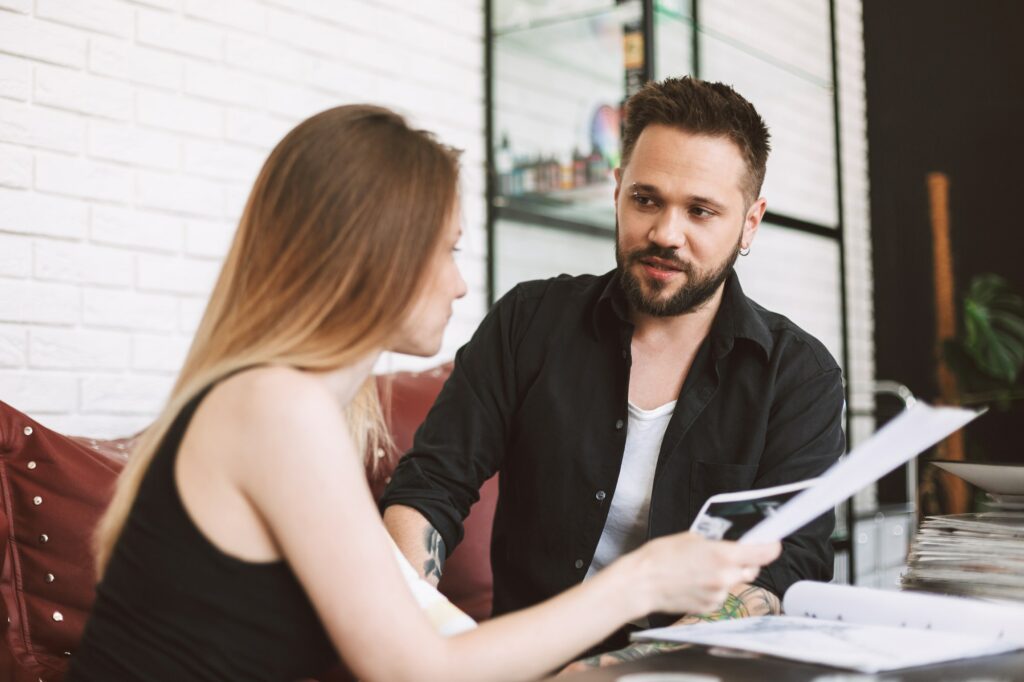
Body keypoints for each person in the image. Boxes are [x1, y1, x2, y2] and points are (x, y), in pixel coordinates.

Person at [67, 104, 780, 682]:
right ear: (376, 255)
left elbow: (408, 630)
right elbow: (416, 669)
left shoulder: (297, 405)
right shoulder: (274, 408)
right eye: (448, 249)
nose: (460, 282)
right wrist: (641, 584)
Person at [381, 76, 846, 664]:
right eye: (646, 199)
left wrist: (607, 674)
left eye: (700, 211)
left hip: (691, 675)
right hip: (525, 664)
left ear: (750, 222)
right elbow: (430, 487)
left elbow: (784, 570)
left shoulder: (799, 375)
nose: (664, 234)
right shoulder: (528, 321)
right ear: (618, 188)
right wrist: (409, 635)